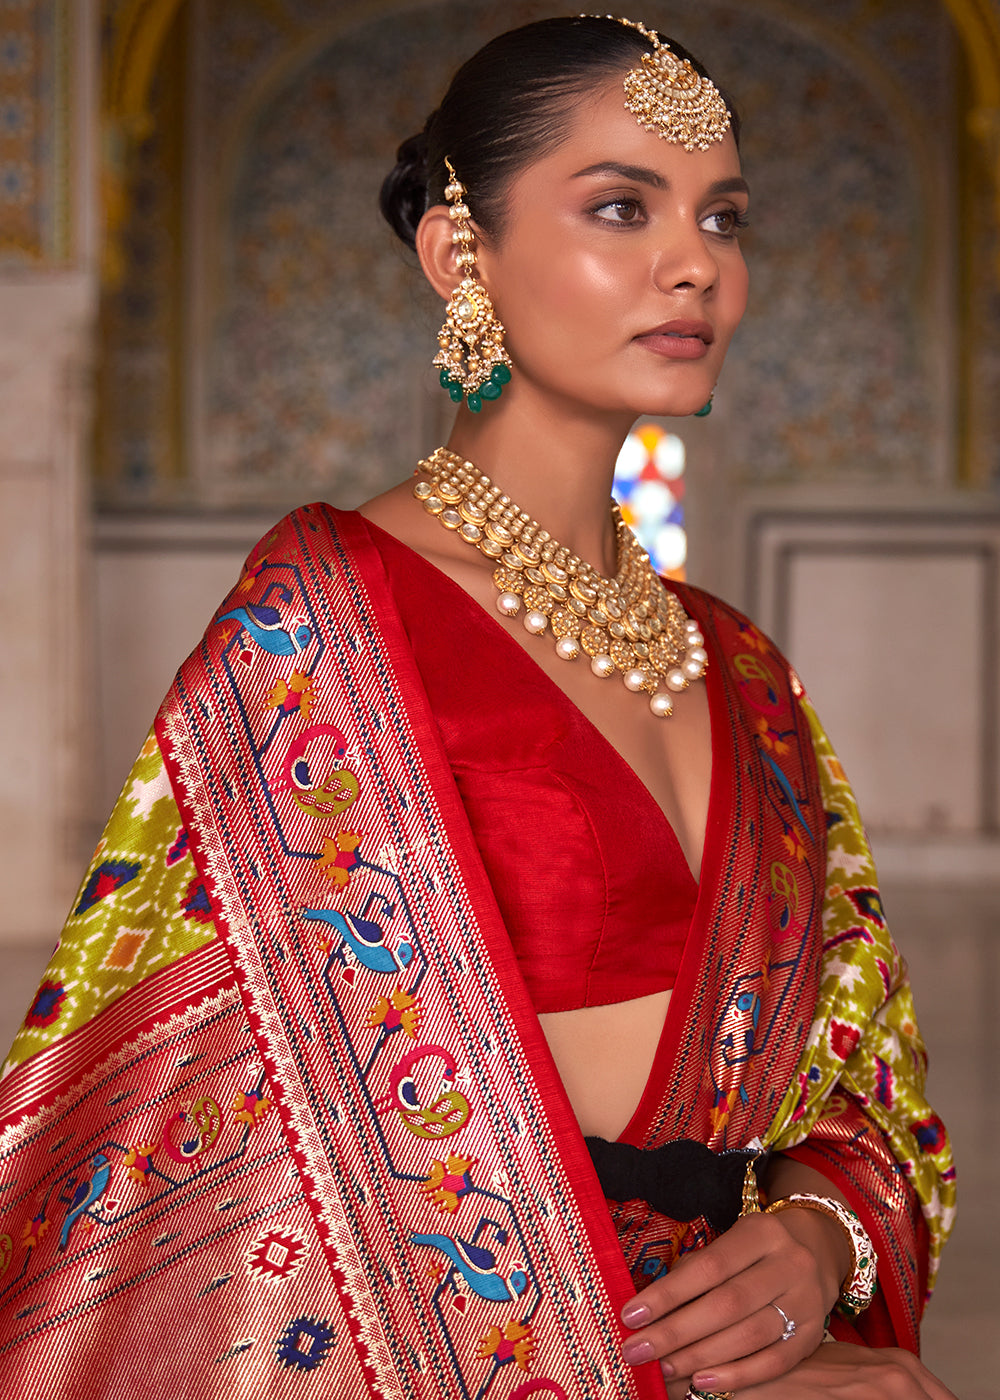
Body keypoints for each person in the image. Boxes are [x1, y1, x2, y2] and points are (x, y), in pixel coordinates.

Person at [0, 15, 955, 1400]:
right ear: (462, 257)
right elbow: (217, 1156)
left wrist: (817, 1236)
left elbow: (863, 1085)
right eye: (622, 207)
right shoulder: (321, 618)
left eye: (723, 217)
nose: (697, 262)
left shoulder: (744, 667)